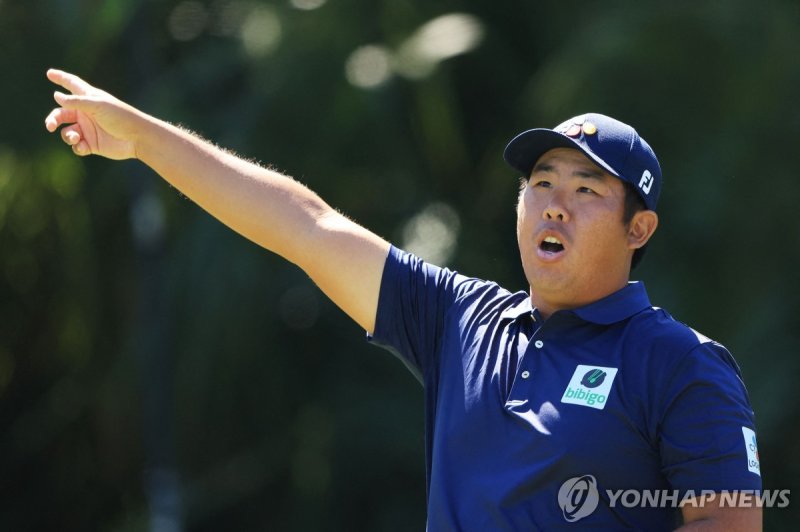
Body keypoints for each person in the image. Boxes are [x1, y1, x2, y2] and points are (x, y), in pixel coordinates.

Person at [44, 69, 762, 530]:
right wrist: (143, 140)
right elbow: (306, 224)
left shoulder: (680, 364)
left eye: (585, 191)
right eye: (541, 183)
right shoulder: (462, 322)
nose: (553, 207)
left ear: (639, 228)